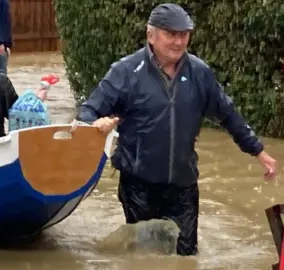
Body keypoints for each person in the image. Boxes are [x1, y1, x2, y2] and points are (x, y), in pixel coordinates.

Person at [76, 3, 277, 256]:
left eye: (184, 35)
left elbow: (228, 114)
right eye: (171, 34)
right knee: (146, 258)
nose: (178, 41)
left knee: (186, 256)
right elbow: (87, 112)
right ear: (151, 35)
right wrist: (95, 125)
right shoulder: (125, 72)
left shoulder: (200, 73)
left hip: (183, 185)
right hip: (139, 185)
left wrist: (258, 151)